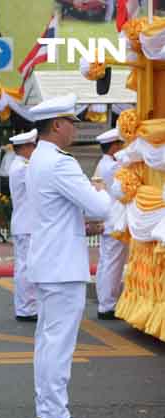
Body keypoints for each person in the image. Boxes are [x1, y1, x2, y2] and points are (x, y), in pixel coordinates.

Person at [26, 94, 111, 418]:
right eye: (71, 123)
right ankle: (54, 414)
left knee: (48, 341)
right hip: (61, 265)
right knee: (58, 343)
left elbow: (59, 211)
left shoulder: (38, 159)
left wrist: (80, 223)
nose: (75, 129)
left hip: (49, 261)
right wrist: (100, 191)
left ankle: (48, 408)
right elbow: (99, 206)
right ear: (57, 125)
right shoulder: (61, 162)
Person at [93, 128, 127, 320]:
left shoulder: (103, 163)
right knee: (113, 264)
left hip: (107, 219)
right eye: (120, 144)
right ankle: (108, 305)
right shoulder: (113, 167)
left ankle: (105, 302)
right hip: (114, 220)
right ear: (114, 147)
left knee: (106, 262)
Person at [8, 129, 39, 322]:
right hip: (26, 224)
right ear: (26, 147)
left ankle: (26, 306)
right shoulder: (22, 168)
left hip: (24, 223)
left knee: (24, 266)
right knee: (25, 267)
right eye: (33, 146)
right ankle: (26, 308)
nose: (35, 149)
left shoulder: (19, 165)